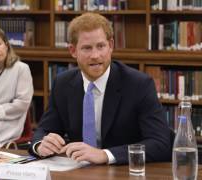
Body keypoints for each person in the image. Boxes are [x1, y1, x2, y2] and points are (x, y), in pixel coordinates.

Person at [28, 13, 172, 165]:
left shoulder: (139, 84)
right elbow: (43, 131)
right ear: (73, 51)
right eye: (87, 48)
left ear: (111, 46)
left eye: (101, 46)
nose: (95, 55)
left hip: (124, 172)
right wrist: (41, 146)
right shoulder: (62, 84)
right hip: (78, 171)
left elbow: (160, 144)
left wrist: (105, 155)